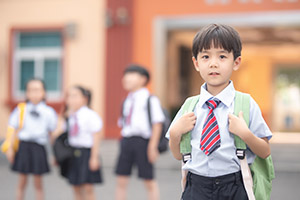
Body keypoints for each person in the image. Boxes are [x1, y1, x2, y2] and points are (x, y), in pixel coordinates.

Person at [166, 24, 272, 200]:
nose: (213, 63)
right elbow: (178, 155)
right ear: (196, 63)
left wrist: (245, 134)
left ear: (236, 62)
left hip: (234, 186)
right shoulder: (189, 106)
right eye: (206, 56)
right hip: (196, 187)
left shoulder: (246, 104)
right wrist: (176, 132)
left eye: (222, 56)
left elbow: (265, 151)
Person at [115, 65, 165, 200]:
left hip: (143, 142)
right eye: (125, 75)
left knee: (148, 179)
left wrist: (152, 146)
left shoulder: (150, 99)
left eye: (131, 75)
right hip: (126, 140)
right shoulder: (126, 100)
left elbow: (157, 123)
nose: (126, 78)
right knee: (121, 178)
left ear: (143, 79)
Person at [6, 78, 57, 200]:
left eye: (38, 90)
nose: (34, 93)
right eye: (31, 90)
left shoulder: (48, 112)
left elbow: (52, 133)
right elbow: (12, 128)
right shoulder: (21, 109)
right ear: (27, 93)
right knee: (22, 181)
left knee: (38, 183)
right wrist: (9, 148)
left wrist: (54, 154)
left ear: (44, 92)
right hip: (24, 146)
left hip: (39, 147)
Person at [59, 85, 103, 200]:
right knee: (75, 186)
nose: (71, 99)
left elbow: (96, 137)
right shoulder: (69, 116)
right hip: (72, 153)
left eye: (75, 96)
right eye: (69, 96)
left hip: (86, 153)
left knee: (88, 187)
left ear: (85, 98)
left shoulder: (90, 115)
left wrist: (94, 157)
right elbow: (62, 135)